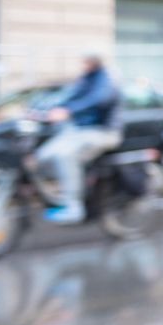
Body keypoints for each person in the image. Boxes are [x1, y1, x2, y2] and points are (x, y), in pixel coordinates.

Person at [36, 54, 123, 224]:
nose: (83, 64)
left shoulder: (107, 78)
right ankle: (60, 191)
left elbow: (98, 99)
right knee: (43, 155)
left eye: (86, 61)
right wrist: (45, 110)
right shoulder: (86, 78)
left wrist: (69, 111)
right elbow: (69, 96)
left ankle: (73, 207)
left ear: (95, 61)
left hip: (103, 131)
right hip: (79, 130)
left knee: (66, 156)